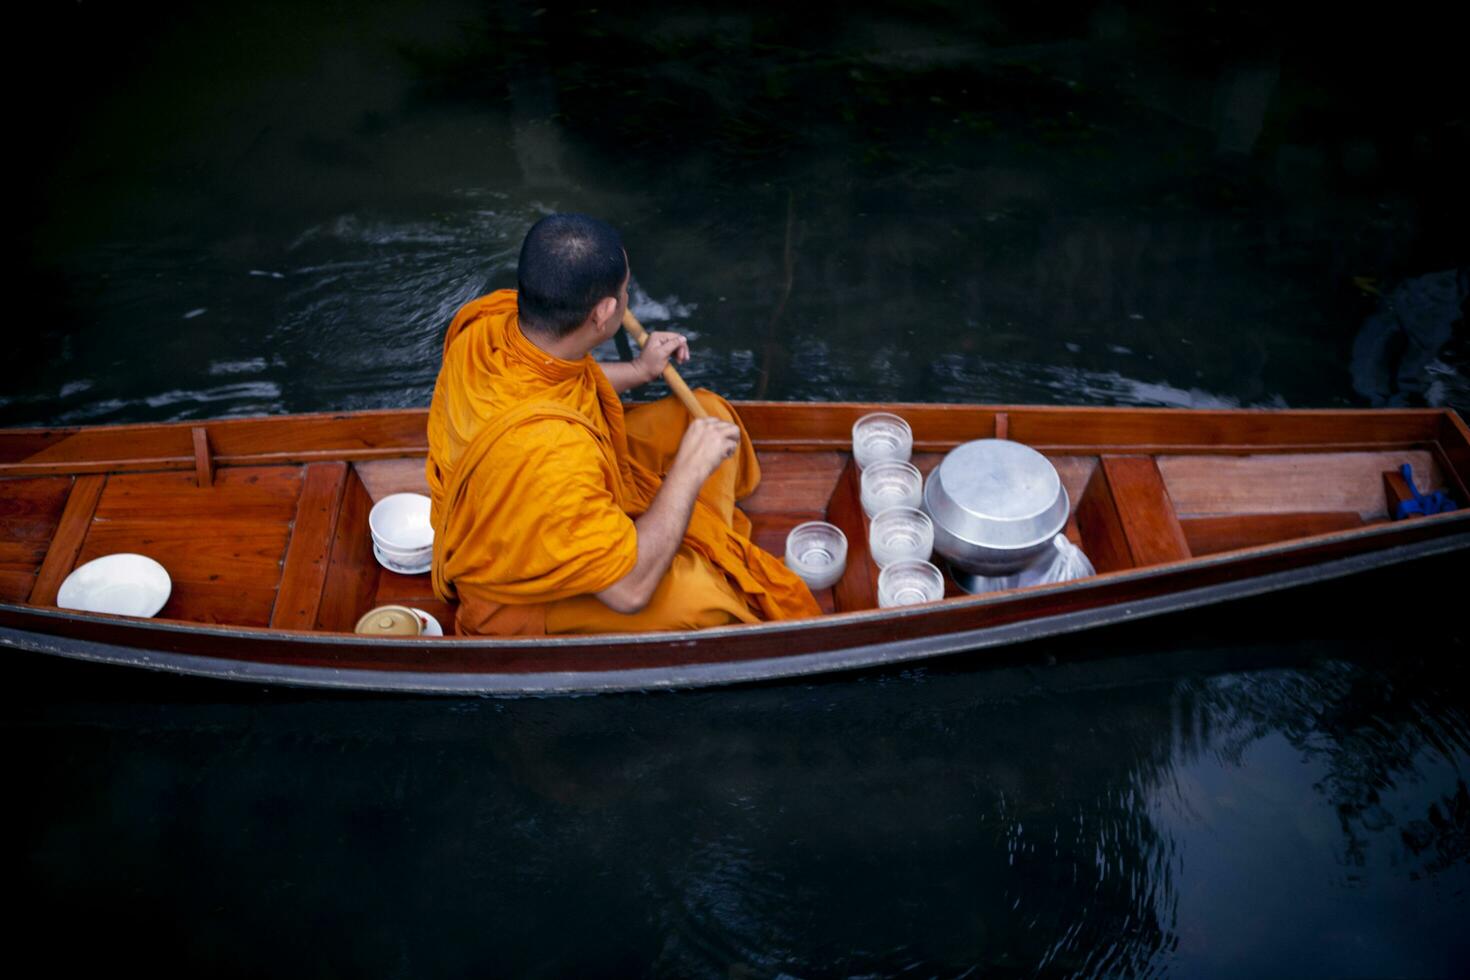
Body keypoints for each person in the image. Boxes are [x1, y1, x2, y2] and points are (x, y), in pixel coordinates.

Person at [426, 214, 821, 635]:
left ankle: (680, 535)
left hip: (562, 473)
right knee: (706, 599)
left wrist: (638, 368)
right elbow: (629, 593)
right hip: (518, 590)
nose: (628, 298)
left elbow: (557, 374)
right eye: (625, 290)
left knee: (706, 413)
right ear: (604, 312)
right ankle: (686, 543)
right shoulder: (553, 456)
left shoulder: (490, 323)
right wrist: (688, 470)